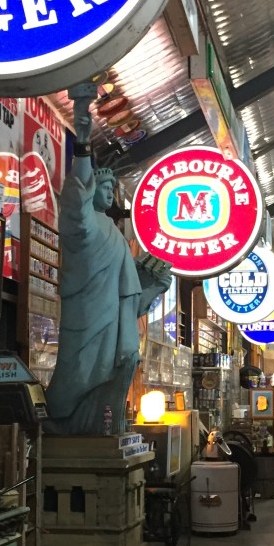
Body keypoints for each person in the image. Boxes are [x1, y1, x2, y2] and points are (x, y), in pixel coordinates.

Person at [44, 90, 172, 435]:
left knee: (116, 365)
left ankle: (102, 424)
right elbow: (76, 200)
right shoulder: (84, 224)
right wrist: (83, 145)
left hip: (111, 317)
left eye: (112, 187)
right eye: (103, 186)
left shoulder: (114, 233)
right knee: (81, 367)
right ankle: (66, 420)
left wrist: (153, 282)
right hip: (87, 314)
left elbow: (128, 292)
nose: (109, 192)